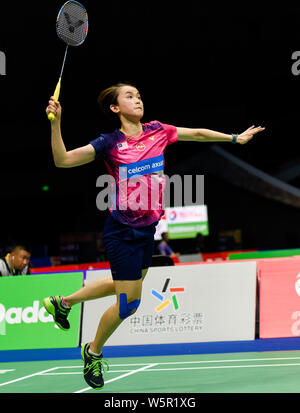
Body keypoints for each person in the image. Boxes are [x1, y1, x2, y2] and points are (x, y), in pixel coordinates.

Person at [43, 82, 265, 390]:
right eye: (129, 96)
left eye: (138, 95)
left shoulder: (158, 131)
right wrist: (57, 123)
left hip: (148, 229)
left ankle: (63, 302)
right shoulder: (109, 142)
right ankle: (92, 352)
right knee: (128, 303)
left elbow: (197, 133)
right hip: (121, 231)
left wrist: (234, 138)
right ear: (115, 108)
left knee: (128, 283)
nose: (138, 99)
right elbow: (63, 160)